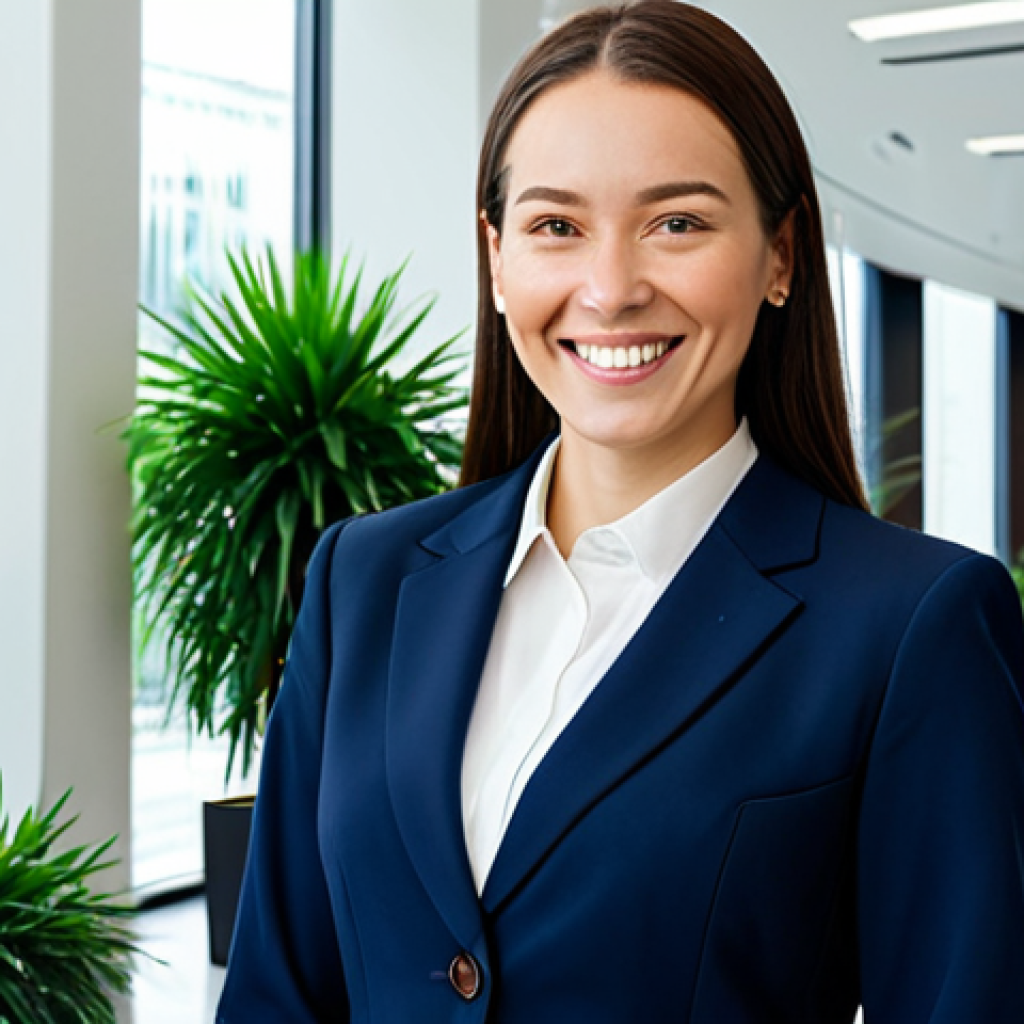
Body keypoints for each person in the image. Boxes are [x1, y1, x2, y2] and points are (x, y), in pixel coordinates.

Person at [216, 3, 1024, 1021]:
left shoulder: (913, 623)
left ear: (780, 256)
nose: (609, 288)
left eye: (675, 223)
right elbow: (275, 994)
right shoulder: (362, 577)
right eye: (556, 226)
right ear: (497, 258)